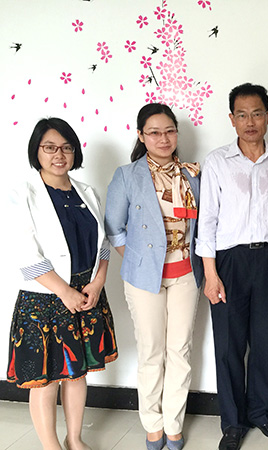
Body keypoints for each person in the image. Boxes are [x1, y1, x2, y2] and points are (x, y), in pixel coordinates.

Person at [196, 83, 268, 450]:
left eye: (256, 114)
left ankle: (261, 413)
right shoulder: (217, 162)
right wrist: (210, 274)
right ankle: (232, 422)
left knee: (267, 341)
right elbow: (207, 220)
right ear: (232, 119)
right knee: (228, 346)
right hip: (229, 262)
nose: (250, 121)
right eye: (242, 115)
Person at [8, 118, 118, 450]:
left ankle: (74, 439)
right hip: (45, 298)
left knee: (77, 372)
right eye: (50, 147)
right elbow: (26, 254)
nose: (59, 154)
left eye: (66, 147)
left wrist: (97, 284)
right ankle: (51, 446)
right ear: (36, 151)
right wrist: (64, 291)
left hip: (86, 294)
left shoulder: (88, 193)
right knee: (45, 381)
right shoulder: (22, 194)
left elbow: (102, 245)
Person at [105, 103, 202, 450]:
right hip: (144, 277)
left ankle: (174, 424)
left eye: (169, 131)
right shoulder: (127, 175)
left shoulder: (192, 174)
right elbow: (114, 228)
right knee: (151, 351)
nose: (163, 138)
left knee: (180, 350)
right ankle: (153, 424)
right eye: (154, 132)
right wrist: (138, 260)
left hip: (186, 274)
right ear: (141, 136)